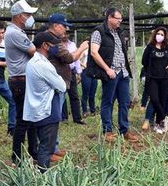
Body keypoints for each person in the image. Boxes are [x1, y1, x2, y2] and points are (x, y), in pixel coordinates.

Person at [85, 8, 138, 142]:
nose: (120, 21)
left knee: (124, 102)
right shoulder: (99, 32)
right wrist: (107, 69)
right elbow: (94, 53)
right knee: (107, 102)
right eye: (118, 18)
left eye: (121, 19)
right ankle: (107, 131)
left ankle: (124, 130)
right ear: (109, 17)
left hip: (123, 73)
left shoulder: (119, 32)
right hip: (110, 73)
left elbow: (120, 52)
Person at [24, 32, 66, 172]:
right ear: (45, 46)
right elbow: (61, 86)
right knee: (46, 147)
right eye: (53, 45)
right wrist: (58, 79)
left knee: (44, 145)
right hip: (46, 110)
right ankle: (43, 177)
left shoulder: (33, 62)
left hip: (38, 109)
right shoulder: (43, 65)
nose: (56, 47)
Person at [5, 0, 38, 163]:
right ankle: (17, 157)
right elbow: (33, 51)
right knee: (23, 120)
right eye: (28, 14)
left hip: (23, 80)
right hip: (21, 81)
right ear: (19, 16)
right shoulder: (15, 33)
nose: (30, 17)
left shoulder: (17, 32)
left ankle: (33, 152)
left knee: (30, 119)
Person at [44, 14, 86, 126]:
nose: (66, 29)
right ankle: (55, 125)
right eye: (64, 26)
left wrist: (78, 72)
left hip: (66, 75)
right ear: (56, 26)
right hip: (57, 78)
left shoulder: (54, 40)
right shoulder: (53, 41)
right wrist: (82, 48)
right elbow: (69, 58)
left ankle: (74, 118)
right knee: (56, 106)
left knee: (73, 97)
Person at [140, 27, 168, 133]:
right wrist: (150, 69)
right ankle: (164, 118)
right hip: (153, 78)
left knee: (163, 101)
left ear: (165, 37)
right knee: (154, 99)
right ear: (155, 35)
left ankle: (159, 125)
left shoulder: (167, 47)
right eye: (158, 34)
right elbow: (144, 61)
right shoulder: (150, 47)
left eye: (162, 34)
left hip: (165, 78)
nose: (160, 36)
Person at [79, 37, 98, 117]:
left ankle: (93, 111)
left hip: (94, 72)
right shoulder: (85, 51)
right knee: (85, 93)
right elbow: (78, 59)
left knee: (92, 93)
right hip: (86, 72)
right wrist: (84, 65)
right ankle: (84, 111)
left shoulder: (96, 51)